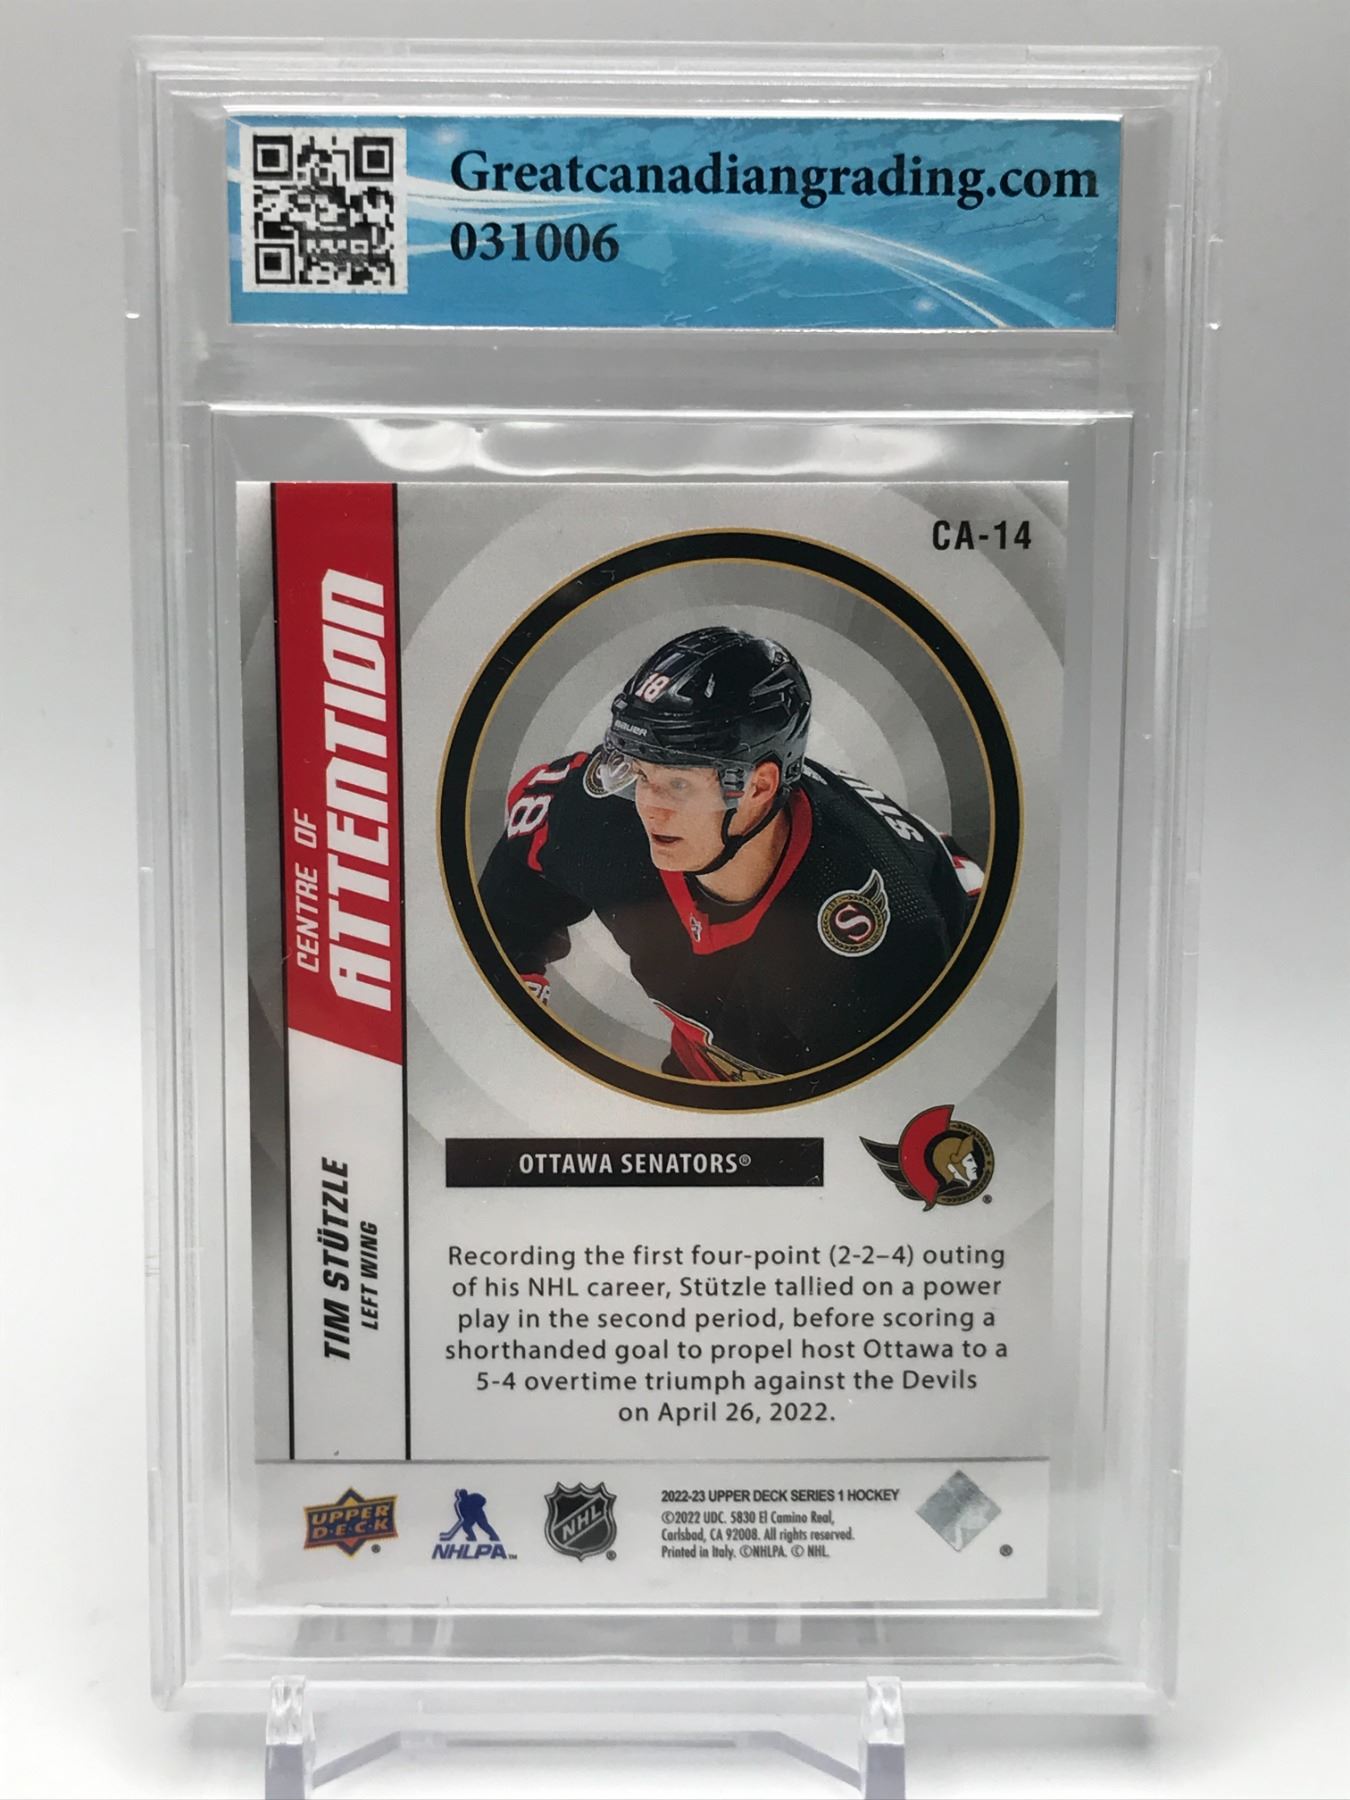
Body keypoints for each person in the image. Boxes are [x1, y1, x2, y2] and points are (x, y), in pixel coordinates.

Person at [474, 626, 981, 1081]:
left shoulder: (878, 937)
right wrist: (510, 995)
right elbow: (520, 875)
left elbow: (890, 1118)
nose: (650, 809)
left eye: (678, 783)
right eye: (641, 774)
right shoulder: (601, 815)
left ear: (759, 787)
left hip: (950, 949)